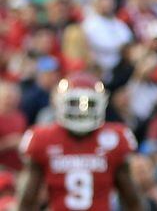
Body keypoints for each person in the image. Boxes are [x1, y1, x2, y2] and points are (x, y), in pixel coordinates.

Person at [15, 73, 143, 211]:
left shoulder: (114, 138)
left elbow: (132, 199)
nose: (82, 110)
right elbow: (27, 199)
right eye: (74, 103)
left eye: (90, 104)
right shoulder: (42, 138)